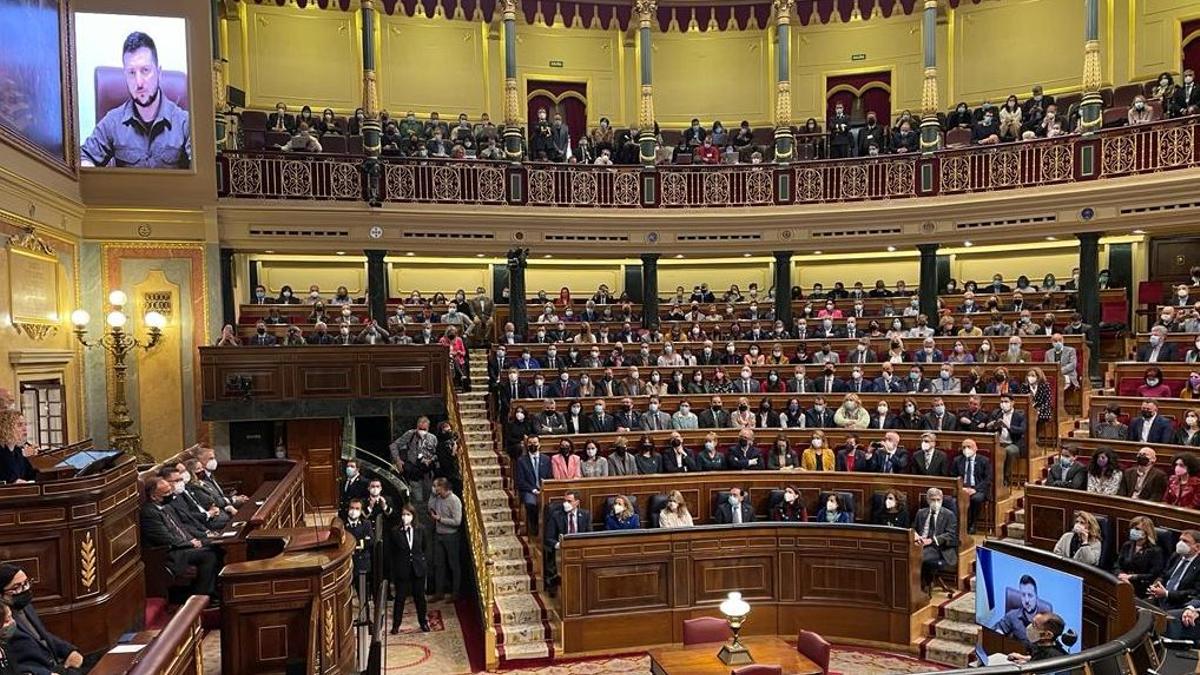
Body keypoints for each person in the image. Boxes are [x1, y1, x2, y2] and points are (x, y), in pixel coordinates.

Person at [81, 32, 190, 168]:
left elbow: (203, 170)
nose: (139, 83)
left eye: (145, 70)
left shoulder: (184, 123)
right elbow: (84, 157)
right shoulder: (113, 122)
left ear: (159, 73)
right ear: (125, 76)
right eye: (131, 73)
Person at [140, 477, 220, 603]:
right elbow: (165, 539)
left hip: (183, 546)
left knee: (218, 545)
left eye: (170, 491)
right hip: (169, 553)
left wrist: (197, 538)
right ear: (154, 497)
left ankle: (216, 590)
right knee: (208, 554)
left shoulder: (167, 507)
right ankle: (202, 597)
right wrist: (191, 543)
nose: (170, 495)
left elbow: (181, 528)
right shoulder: (148, 513)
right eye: (166, 493)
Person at [0, 564, 83, 675]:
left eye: (26, 584)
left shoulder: (25, 606)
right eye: (16, 588)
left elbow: (42, 635)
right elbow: (13, 664)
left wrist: (69, 651)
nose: (24, 590)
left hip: (55, 664)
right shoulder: (3, 619)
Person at [388, 504, 430, 633]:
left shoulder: (421, 529)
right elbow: (393, 552)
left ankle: (423, 622)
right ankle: (396, 625)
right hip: (402, 569)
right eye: (403, 514)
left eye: (408, 514)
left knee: (420, 598)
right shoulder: (395, 532)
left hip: (417, 568)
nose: (405, 517)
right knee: (400, 599)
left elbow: (424, 547)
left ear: (413, 516)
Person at [544, 491, 590, 595]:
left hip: (580, 550)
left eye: (569, 501)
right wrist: (559, 545)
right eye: (565, 501)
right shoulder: (556, 516)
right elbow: (549, 538)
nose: (566, 503)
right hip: (562, 549)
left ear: (577, 502)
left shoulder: (585, 515)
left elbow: (589, 535)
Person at [389, 417, 440, 504]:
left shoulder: (433, 438)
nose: (422, 431)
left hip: (427, 472)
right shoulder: (410, 434)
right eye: (420, 428)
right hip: (413, 471)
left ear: (428, 428)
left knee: (429, 497)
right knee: (418, 498)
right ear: (417, 427)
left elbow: (437, 454)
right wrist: (398, 460)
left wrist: (431, 460)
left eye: (424, 429)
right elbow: (393, 445)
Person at [1116, 515, 1165, 596]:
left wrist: (1132, 577)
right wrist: (1120, 574)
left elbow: (1154, 575)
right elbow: (1117, 564)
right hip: (1122, 581)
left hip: (1141, 587)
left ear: (1146, 532)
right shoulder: (1127, 545)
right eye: (1132, 528)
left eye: (1137, 529)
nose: (1133, 531)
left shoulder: (1155, 551)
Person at [985, 393, 1026, 486]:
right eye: (1002, 402)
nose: (1003, 404)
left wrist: (1008, 426)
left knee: (1008, 451)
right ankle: (991, 478)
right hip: (999, 442)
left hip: (1014, 443)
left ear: (1012, 403)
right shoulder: (996, 413)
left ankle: (1005, 477)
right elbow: (988, 426)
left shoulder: (1020, 414)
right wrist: (992, 425)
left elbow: (1022, 430)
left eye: (1006, 401)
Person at [515, 437, 552, 537]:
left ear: (539, 444)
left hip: (544, 489)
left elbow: (550, 477)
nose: (533, 445)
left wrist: (543, 489)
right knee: (531, 503)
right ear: (527, 445)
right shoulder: (521, 460)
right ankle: (534, 528)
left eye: (535, 443)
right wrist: (533, 490)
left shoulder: (546, 459)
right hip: (529, 490)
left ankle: (548, 531)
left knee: (551, 506)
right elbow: (520, 481)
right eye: (530, 443)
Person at [954, 438, 991, 535]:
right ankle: (959, 525)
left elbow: (987, 479)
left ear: (975, 448)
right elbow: (953, 476)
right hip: (962, 488)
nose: (966, 449)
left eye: (969, 447)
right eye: (964, 447)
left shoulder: (984, 461)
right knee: (953, 499)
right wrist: (961, 488)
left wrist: (975, 490)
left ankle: (973, 524)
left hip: (978, 489)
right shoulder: (958, 460)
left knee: (976, 499)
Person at [1004, 612, 1069, 665]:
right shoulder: (1039, 643)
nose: (1029, 627)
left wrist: (1028, 667)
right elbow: (1039, 658)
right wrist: (1026, 658)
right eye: (1032, 622)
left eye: (1034, 625)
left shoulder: (1054, 658)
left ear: (1048, 635)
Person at [0, 410, 37, 484]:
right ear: (6, 428)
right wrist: (14, 481)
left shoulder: (18, 451)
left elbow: (31, 475)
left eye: (25, 424)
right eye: (19, 425)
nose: (25, 429)